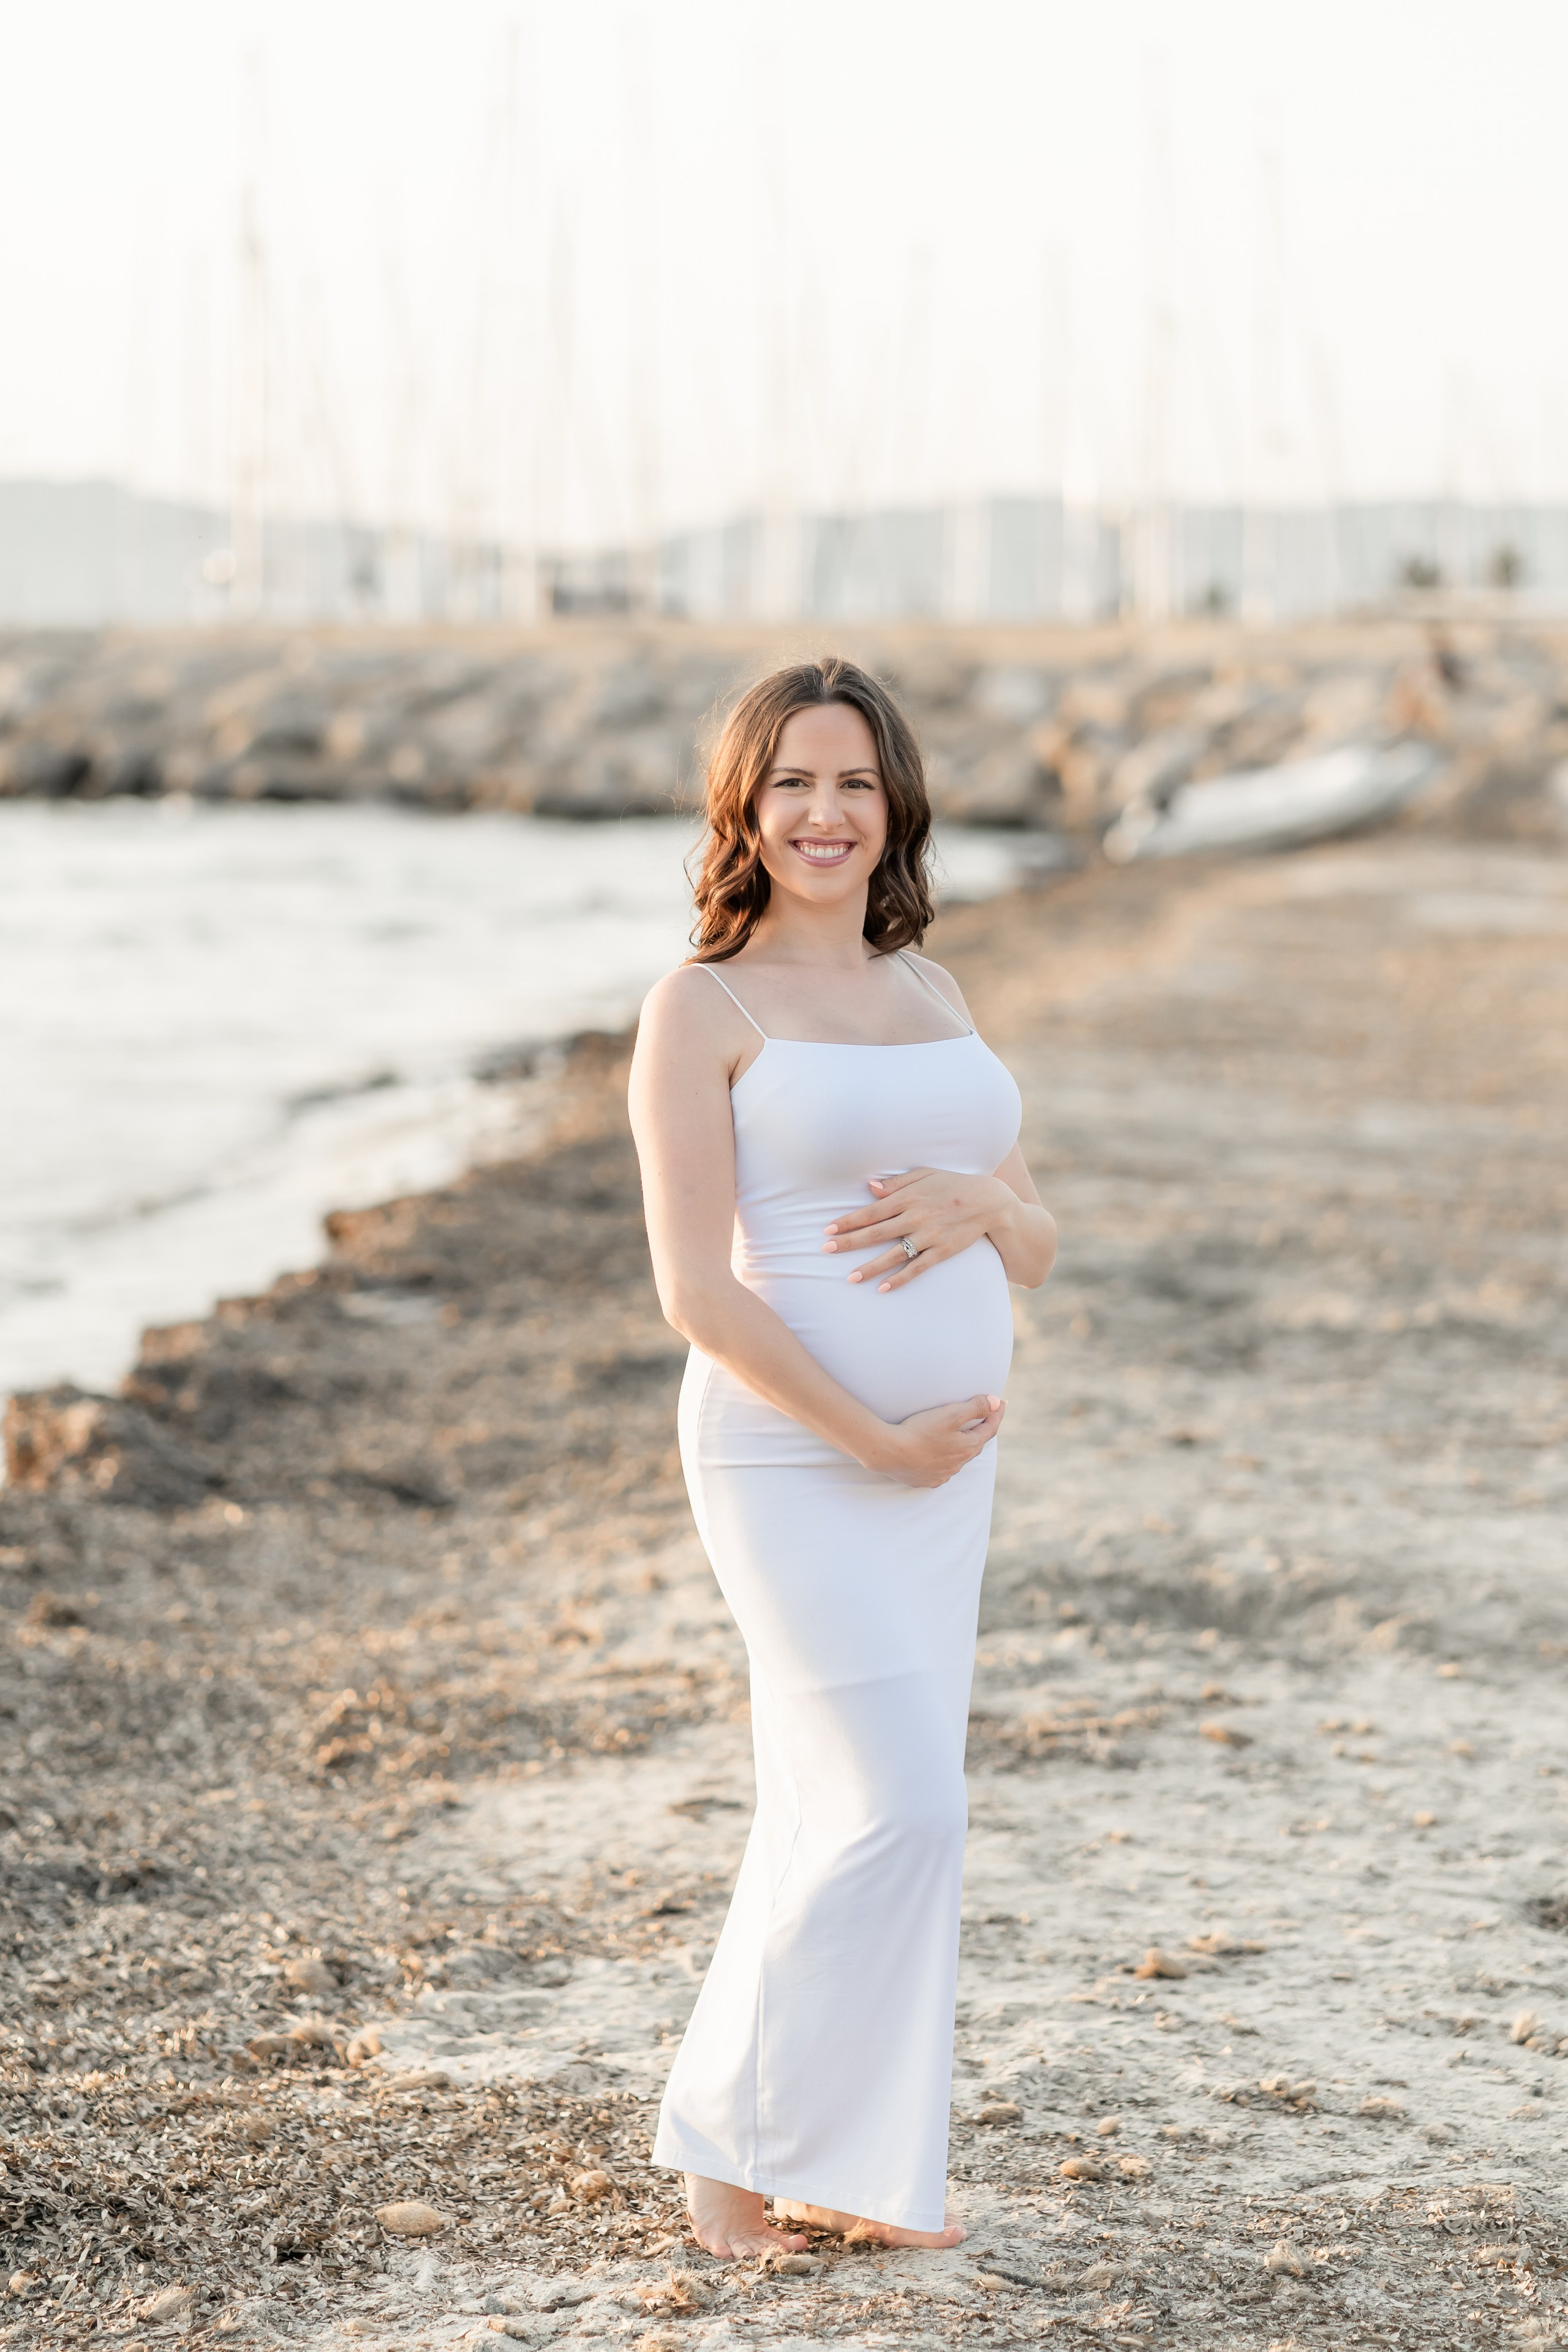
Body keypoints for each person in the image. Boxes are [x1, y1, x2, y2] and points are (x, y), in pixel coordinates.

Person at [627, 657, 1056, 2258]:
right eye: (794, 783)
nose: (825, 813)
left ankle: (843, 2170)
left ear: (895, 808)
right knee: (900, 1807)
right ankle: (723, 2152)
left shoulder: (931, 994)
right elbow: (694, 1287)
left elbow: (1040, 1238)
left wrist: (988, 1209)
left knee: (843, 1804)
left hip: (944, 1477)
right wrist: (872, 1436)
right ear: (745, 805)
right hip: (796, 1463)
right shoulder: (703, 1007)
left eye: (855, 783)